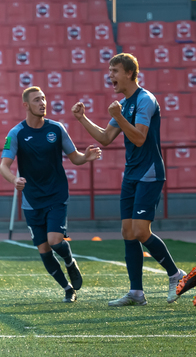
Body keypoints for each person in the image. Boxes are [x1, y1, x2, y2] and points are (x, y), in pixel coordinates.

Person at [71, 53, 186, 306]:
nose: (110, 75)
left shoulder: (145, 100)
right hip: (132, 173)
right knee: (127, 232)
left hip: (149, 173)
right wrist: (82, 119)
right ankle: (136, 292)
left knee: (141, 231)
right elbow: (104, 138)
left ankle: (176, 275)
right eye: (109, 70)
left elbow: (140, 138)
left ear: (129, 73)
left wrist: (120, 116)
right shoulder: (125, 103)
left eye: (114, 71)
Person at [0, 87, 102, 303]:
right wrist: (14, 180)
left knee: (55, 241)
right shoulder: (16, 133)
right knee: (44, 251)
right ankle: (67, 289)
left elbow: (74, 157)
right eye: (37, 100)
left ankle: (69, 261)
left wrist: (87, 157)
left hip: (56, 194)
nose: (42, 103)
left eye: (44, 98)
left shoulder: (57, 129)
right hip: (31, 200)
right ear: (26, 105)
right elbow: (4, 166)